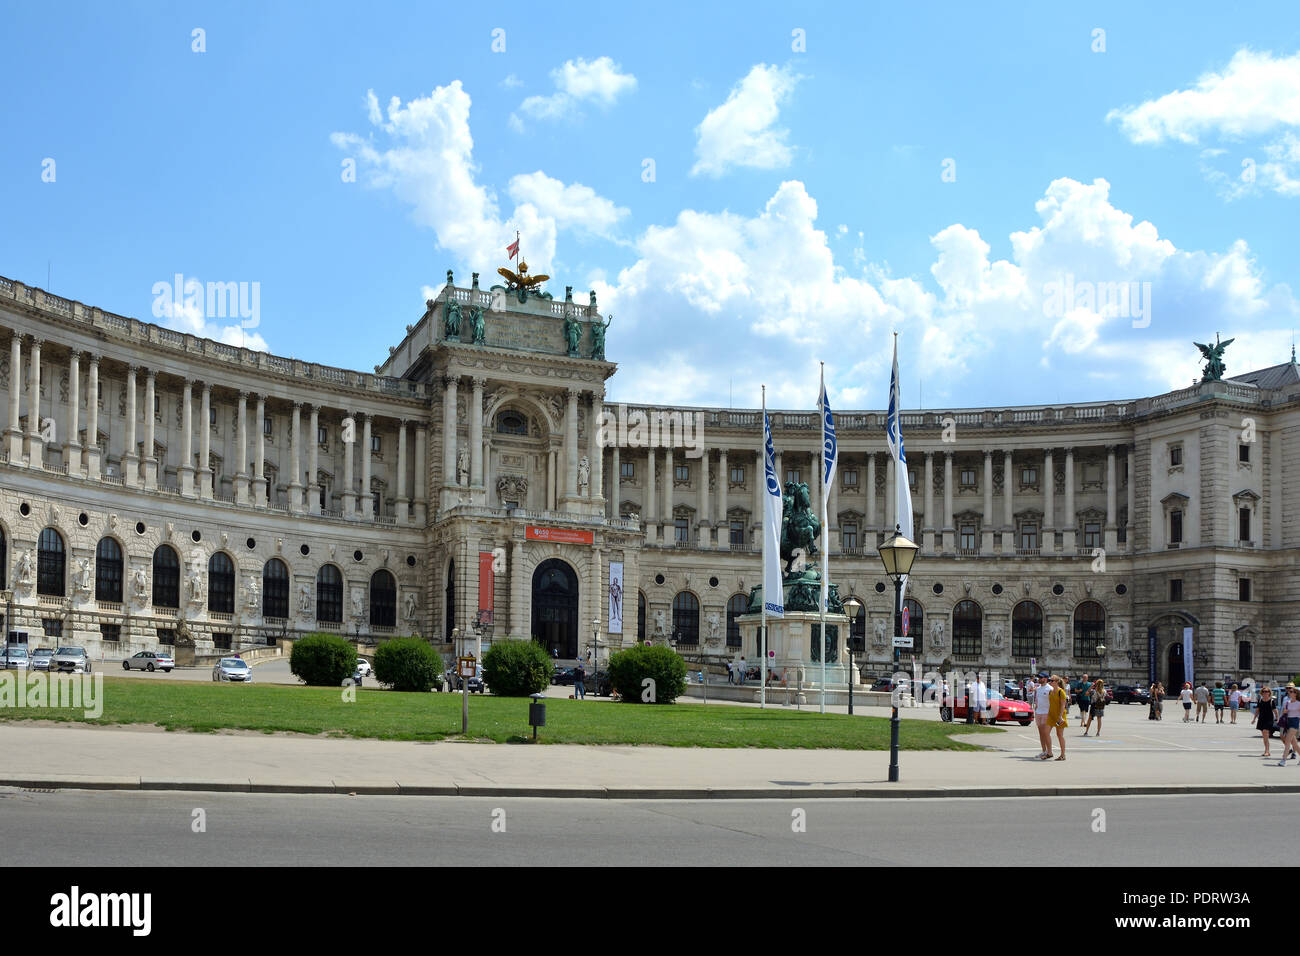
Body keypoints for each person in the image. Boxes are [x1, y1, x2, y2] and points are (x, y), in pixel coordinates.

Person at [1277, 685, 1300, 766]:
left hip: (1295, 722)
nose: (1289, 693)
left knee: (1287, 741)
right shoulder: (1287, 702)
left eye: (1291, 692)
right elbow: (1284, 713)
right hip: (1288, 722)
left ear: (1295, 694)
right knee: (1294, 744)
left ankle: (1283, 760)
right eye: (1289, 692)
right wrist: (1284, 712)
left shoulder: (1298, 703)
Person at [1048, 675, 1070, 760]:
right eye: (1050, 680)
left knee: (1059, 735)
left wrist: (1060, 716)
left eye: (1052, 680)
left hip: (1059, 716)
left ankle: (1063, 755)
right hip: (1051, 715)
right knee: (1046, 732)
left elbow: (1063, 705)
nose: (1050, 682)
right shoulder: (1050, 691)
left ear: (1057, 682)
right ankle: (1048, 752)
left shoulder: (1061, 692)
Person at [1034, 671, 1053, 759]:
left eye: (1041, 678)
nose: (1039, 679)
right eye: (1039, 678)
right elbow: (1037, 700)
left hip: (1046, 713)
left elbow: (1053, 702)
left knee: (1046, 733)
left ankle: (1049, 752)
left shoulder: (1050, 689)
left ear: (1045, 679)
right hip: (1039, 712)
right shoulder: (1038, 688)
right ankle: (1043, 750)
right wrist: (1036, 708)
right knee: (1041, 733)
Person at [1253, 687, 1277, 758]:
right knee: (1264, 736)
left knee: (1265, 732)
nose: (1265, 693)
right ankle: (1266, 751)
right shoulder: (1260, 700)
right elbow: (1257, 710)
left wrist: (1277, 718)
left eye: (1266, 691)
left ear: (1269, 693)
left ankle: (1267, 751)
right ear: (1261, 693)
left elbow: (1275, 711)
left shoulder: (1271, 701)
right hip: (1261, 719)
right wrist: (1254, 719)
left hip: (1269, 719)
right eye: (1263, 691)